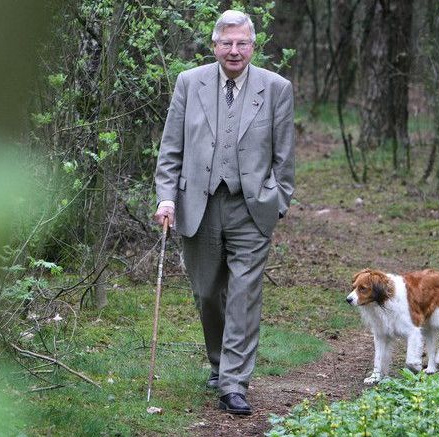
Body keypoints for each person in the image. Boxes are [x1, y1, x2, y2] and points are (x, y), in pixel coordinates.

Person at [153, 10, 295, 415]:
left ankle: (234, 382)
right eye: (227, 43)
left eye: (242, 43)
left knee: (244, 295)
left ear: (253, 46)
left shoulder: (276, 88)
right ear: (214, 45)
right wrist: (166, 197)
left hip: (252, 208)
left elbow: (285, 158)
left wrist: (277, 201)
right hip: (198, 203)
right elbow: (171, 149)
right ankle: (219, 363)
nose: (234, 50)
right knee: (207, 293)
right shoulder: (189, 82)